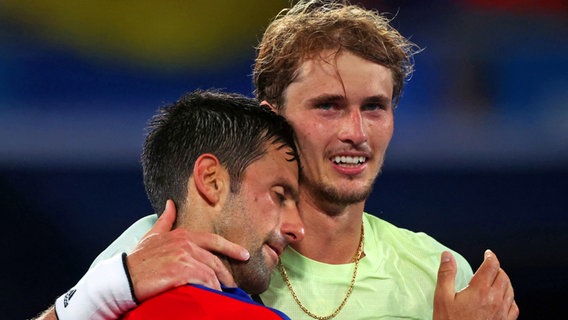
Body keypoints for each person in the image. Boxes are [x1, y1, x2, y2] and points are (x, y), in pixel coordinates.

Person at [37, 1, 519, 319]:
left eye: (374, 107)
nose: (355, 133)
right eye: (328, 106)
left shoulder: (442, 275)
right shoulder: (173, 243)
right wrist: (110, 287)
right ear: (276, 120)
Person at [35, 89, 304, 319]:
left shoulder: (102, 300)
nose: (297, 229)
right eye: (279, 196)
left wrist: (103, 291)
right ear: (211, 181)